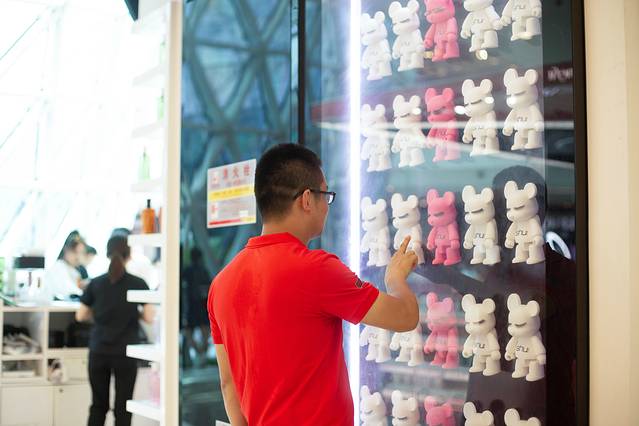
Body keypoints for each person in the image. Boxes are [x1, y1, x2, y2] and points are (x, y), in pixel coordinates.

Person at [208, 144, 420, 425]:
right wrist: (395, 279)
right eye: (326, 195)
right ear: (307, 199)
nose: (327, 206)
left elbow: (228, 383)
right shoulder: (317, 269)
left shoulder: (221, 284)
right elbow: (405, 316)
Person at [76, 234, 154, 426]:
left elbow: (80, 316)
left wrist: (99, 313)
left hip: (99, 351)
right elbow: (149, 317)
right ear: (129, 254)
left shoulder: (95, 283)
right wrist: (132, 313)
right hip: (125, 353)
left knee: (98, 406)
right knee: (123, 408)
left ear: (107, 254)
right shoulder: (138, 283)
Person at [182, 247, 211, 366]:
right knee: (205, 330)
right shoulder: (203, 270)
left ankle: (198, 351)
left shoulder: (187, 270)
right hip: (202, 304)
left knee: (188, 331)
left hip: (191, 305)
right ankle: (202, 351)